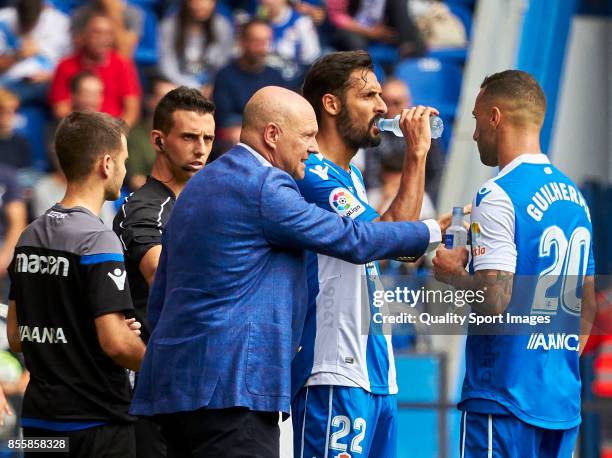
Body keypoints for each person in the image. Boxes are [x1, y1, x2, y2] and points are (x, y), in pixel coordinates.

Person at [130, 86, 440, 457]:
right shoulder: (266, 184)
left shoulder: (199, 186)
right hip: (234, 394)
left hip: (172, 391)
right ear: (272, 135)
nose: (313, 147)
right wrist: (429, 231)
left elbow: (161, 294)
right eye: (307, 136)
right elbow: (351, 239)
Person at [432, 70, 597, 457]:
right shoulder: (575, 198)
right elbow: (586, 305)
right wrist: (551, 358)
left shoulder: (498, 194)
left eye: (475, 120)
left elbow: (494, 299)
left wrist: (452, 275)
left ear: (495, 117)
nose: (473, 134)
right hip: (559, 401)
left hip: (503, 399)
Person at [289, 50, 439, 458]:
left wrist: (417, 156)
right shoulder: (312, 172)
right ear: (332, 104)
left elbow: (398, 247)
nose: (382, 106)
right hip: (332, 369)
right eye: (368, 95)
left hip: (376, 371)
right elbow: (385, 235)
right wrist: (417, 156)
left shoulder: (352, 176)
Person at [6, 112, 146, 457]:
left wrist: (85, 324)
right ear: (107, 163)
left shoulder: (29, 235)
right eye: (125, 161)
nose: (126, 170)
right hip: (96, 424)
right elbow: (116, 345)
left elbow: (17, 337)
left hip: (39, 426)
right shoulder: (99, 240)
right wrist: (170, 366)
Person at [49, 10, 141, 126]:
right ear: (84, 35)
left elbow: (131, 110)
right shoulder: (65, 66)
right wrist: (86, 130)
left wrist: (116, 133)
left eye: (108, 34)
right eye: (96, 33)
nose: (103, 38)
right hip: (77, 131)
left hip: (114, 131)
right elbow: (61, 109)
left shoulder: (123, 65)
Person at [364, 77, 445, 203]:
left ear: (408, 102)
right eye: (386, 102)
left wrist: (408, 185)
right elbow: (371, 175)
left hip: (419, 192)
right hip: (383, 193)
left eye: (397, 102)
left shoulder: (423, 129)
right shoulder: (374, 128)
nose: (390, 109)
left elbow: (437, 172)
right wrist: (387, 190)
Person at [212, 19, 286, 137]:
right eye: (256, 41)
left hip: (271, 134)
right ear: (242, 42)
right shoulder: (225, 76)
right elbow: (224, 119)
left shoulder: (276, 77)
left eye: (266, 41)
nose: (262, 48)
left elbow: (284, 115)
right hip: (236, 136)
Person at [0, 0, 71, 104]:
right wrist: (18, 55)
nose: (27, 21)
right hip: (9, 83)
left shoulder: (60, 23)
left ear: (43, 9)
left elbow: (70, 65)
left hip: (47, 83)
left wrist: (51, 75)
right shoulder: (4, 19)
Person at [158, 0, 233, 96]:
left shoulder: (222, 26)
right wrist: (192, 87)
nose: (201, 5)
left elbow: (223, 63)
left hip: (211, 85)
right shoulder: (169, 26)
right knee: (163, 90)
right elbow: (167, 64)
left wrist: (211, 84)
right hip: (178, 83)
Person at [126, 76, 177, 191]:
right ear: (150, 101)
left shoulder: (184, 135)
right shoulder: (135, 135)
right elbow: (136, 180)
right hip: (149, 199)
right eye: (164, 98)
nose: (171, 105)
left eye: (174, 99)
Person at [259, 0, 320, 83]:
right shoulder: (257, 23)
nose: (267, 1)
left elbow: (311, 55)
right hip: (262, 78)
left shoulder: (301, 22)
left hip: (292, 80)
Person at [71, 0, 143, 59]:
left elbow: (124, 53)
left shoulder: (133, 14)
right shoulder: (80, 14)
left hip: (117, 70)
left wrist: (111, 10)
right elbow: (79, 52)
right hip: (87, 70)